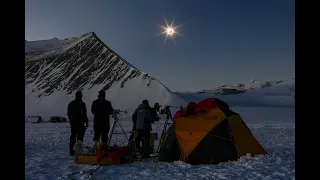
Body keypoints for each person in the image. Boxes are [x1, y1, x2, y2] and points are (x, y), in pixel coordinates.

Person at [67, 91, 89, 156]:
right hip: (80, 123)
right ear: (81, 96)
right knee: (80, 138)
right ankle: (78, 152)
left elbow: (68, 113)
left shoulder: (71, 103)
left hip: (73, 123)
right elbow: (85, 114)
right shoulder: (82, 104)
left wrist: (71, 120)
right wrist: (86, 122)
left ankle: (72, 152)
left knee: (72, 137)